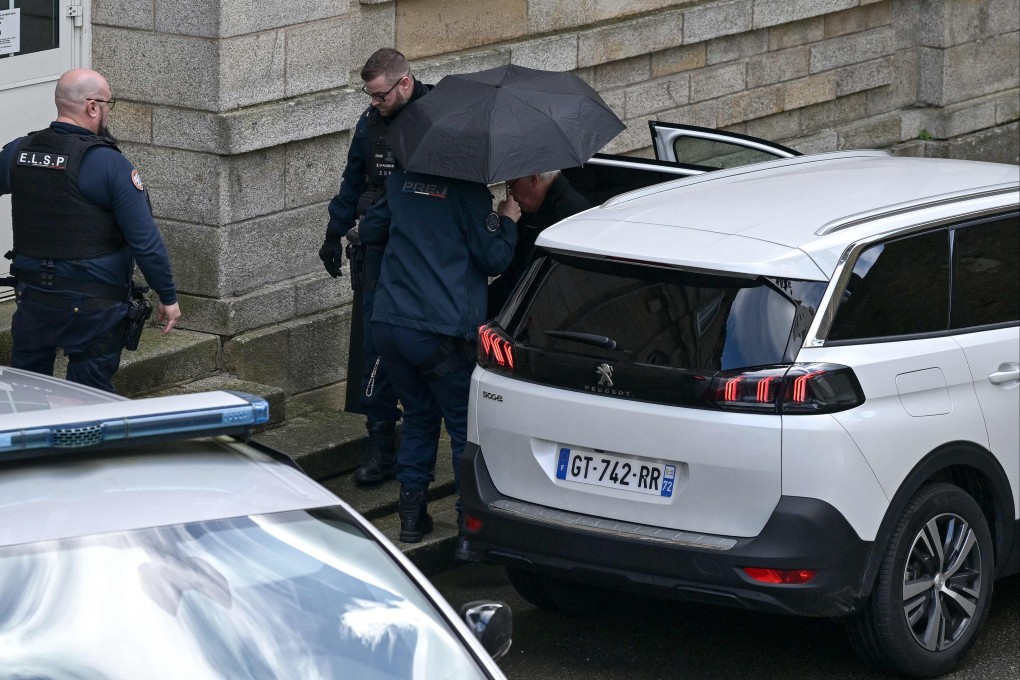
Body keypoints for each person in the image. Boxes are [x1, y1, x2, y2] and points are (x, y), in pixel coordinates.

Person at [359, 170, 517, 543]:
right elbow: (494, 259)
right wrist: (507, 221)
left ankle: (411, 516)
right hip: (440, 330)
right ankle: (468, 529)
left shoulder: (400, 182)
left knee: (418, 415)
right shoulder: (470, 192)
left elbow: (369, 232)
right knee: (463, 427)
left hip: (390, 324)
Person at [0, 68, 180, 392]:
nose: (108, 112)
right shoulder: (110, 165)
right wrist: (167, 296)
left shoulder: (17, 152)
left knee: (26, 396)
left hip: (34, 300)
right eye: (109, 104)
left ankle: (33, 442)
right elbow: (145, 241)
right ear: (93, 107)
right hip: (95, 307)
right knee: (88, 401)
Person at [318, 48, 431, 486]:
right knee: (373, 345)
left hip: (417, 252)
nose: (373, 103)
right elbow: (353, 180)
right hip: (375, 251)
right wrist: (333, 232)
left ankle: (417, 440)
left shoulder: (433, 119)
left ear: (404, 83)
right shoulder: (371, 123)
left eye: (380, 95)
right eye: (369, 95)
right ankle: (381, 445)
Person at [487, 170, 592, 315]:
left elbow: (520, 279)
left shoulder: (568, 217)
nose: (510, 194)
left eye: (512, 186)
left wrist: (507, 223)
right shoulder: (538, 206)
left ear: (533, 179)